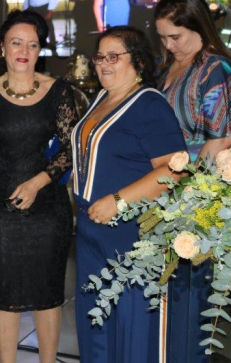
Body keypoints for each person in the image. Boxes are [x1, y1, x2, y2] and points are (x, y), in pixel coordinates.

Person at [0, 10, 76, 363]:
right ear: (2, 47)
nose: (24, 51)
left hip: (48, 210)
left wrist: (37, 182)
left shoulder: (58, 91)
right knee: (4, 294)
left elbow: (71, 149)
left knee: (48, 294)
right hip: (0, 210)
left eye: (32, 44)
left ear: (40, 49)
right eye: (16, 43)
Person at [73, 26, 186, 362]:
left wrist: (120, 200)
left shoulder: (149, 104)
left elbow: (175, 170)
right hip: (91, 233)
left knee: (132, 328)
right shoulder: (102, 98)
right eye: (99, 57)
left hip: (131, 234)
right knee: (96, 326)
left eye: (114, 57)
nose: (104, 64)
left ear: (138, 61)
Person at [154, 0, 231, 363]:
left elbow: (220, 140)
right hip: (162, 190)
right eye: (163, 37)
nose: (169, 46)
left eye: (176, 37)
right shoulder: (165, 66)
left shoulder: (214, 69)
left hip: (199, 198)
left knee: (191, 298)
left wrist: (191, 196)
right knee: (168, 298)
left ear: (199, 27)